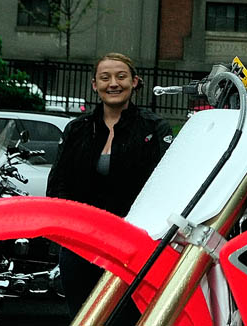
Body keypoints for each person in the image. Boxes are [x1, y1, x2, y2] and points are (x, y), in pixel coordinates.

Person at [46, 52, 173, 321]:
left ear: (135, 82)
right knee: (83, 315)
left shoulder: (154, 128)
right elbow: (58, 184)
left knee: (128, 316)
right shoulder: (77, 129)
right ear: (95, 85)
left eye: (121, 76)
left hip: (132, 243)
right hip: (80, 243)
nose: (112, 83)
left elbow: (167, 184)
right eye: (105, 78)